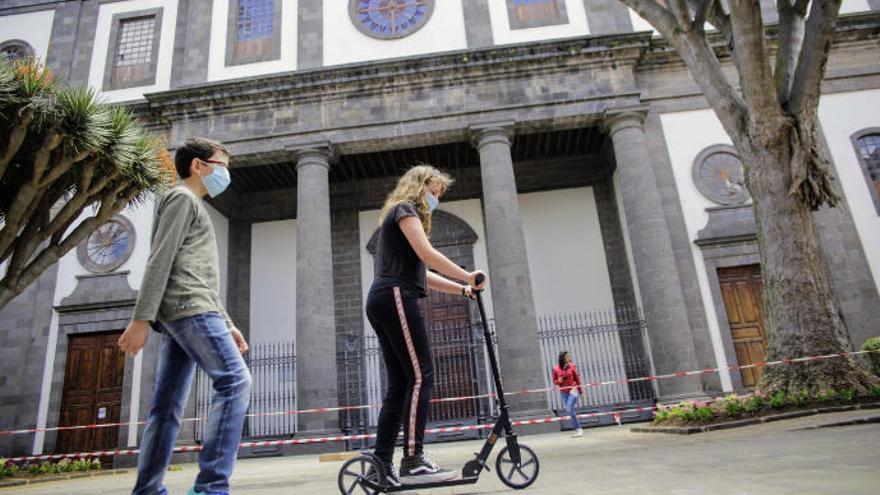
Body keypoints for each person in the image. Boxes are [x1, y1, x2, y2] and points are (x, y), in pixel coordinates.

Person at [117, 138, 252, 495]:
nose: (226, 174)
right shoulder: (182, 198)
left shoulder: (190, 203)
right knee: (236, 382)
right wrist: (140, 318)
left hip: (189, 310)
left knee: (166, 406)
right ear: (198, 165)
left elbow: (199, 275)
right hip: (189, 309)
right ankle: (210, 488)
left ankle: (147, 490)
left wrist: (227, 323)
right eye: (221, 165)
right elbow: (161, 258)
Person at [366, 164, 487, 485]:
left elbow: (423, 273)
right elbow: (427, 253)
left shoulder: (398, 220)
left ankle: (379, 466)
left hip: (384, 297)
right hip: (393, 295)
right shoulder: (404, 209)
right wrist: (469, 274)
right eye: (433, 192)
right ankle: (413, 458)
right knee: (422, 374)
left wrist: (462, 290)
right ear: (418, 186)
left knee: (400, 385)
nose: (436, 198)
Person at [552, 351, 584, 438]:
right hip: (564, 392)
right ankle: (579, 429)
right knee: (571, 411)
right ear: (563, 358)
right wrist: (559, 381)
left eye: (570, 356)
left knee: (569, 407)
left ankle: (578, 429)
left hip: (573, 390)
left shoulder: (572, 366)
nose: (570, 358)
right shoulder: (556, 369)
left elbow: (577, 379)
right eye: (568, 356)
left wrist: (581, 392)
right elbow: (554, 381)